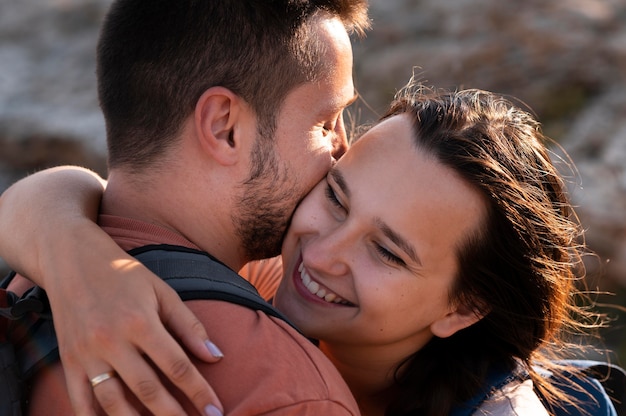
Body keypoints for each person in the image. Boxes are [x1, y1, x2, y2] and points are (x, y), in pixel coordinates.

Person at [1, 77, 614, 415]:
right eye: (339, 198)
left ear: (463, 308)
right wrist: (81, 263)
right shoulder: (281, 271)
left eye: (389, 253)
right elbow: (71, 191)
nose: (322, 254)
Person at [0, 0, 372, 415]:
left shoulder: (32, 275)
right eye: (325, 122)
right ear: (223, 127)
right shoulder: (292, 392)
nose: (344, 148)